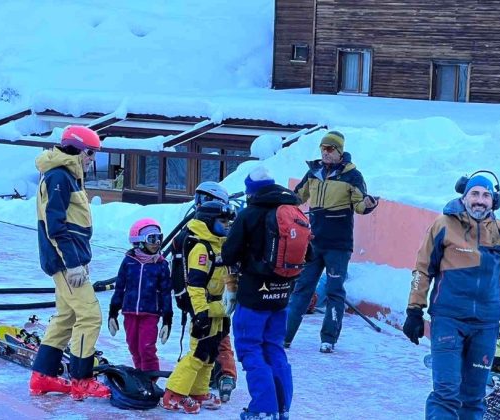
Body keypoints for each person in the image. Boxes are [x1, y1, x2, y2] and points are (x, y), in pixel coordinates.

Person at [403, 173, 500, 419]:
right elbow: (422, 270)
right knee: (446, 393)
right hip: (448, 320)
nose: (480, 200)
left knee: (473, 397)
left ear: (494, 201)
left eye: (486, 195)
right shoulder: (443, 226)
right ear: (464, 196)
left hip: (485, 325)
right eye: (475, 194)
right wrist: (414, 310)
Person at [29, 125, 111, 401]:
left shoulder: (68, 176)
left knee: (67, 316)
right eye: (90, 153)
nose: (91, 160)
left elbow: (75, 225)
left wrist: (80, 260)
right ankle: (81, 379)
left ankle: (43, 375)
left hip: (69, 260)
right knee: (90, 315)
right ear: (76, 150)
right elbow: (56, 226)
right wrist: (73, 263)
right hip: (65, 262)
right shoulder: (59, 177)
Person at [285, 130, 378, 353]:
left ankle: (328, 339)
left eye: (330, 149)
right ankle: (284, 336)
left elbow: (359, 205)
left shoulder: (352, 176)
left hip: (338, 244)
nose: (325, 153)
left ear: (339, 152)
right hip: (313, 241)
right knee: (301, 289)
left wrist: (369, 204)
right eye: (323, 148)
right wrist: (280, 200)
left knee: (335, 291)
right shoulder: (313, 172)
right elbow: (297, 197)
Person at [222, 166, 302, 420]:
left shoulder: (249, 214)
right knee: (274, 348)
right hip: (282, 295)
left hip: (254, 295)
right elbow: (307, 253)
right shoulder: (292, 211)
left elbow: (229, 254)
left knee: (250, 348)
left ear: (250, 191)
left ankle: (263, 408)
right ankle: (282, 408)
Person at [161, 201, 237, 414]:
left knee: (210, 353)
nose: (227, 224)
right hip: (205, 307)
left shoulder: (220, 244)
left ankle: (198, 391)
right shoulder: (202, 248)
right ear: (208, 221)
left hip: (218, 309)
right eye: (222, 221)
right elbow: (195, 285)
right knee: (198, 352)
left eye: (228, 220)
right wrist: (201, 313)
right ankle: (173, 393)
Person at [108, 218, 173, 372]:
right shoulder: (128, 262)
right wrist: (113, 313)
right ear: (139, 241)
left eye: (159, 238)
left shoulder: (161, 265)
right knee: (134, 347)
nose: (157, 242)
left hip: (150, 313)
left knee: (146, 348)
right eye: (152, 238)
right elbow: (119, 288)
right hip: (129, 312)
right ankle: (140, 376)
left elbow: (165, 294)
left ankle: (150, 378)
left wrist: (167, 320)